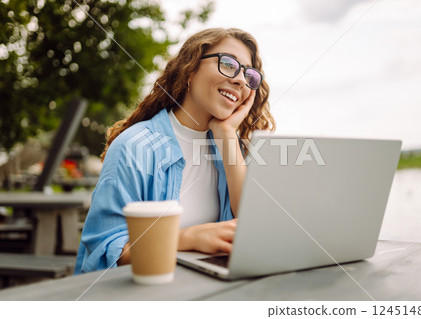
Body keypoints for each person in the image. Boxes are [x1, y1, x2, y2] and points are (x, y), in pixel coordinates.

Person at [74, 28, 276, 274]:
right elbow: (102, 253)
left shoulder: (231, 149)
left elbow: (255, 229)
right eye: (228, 64)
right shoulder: (133, 147)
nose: (240, 80)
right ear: (189, 70)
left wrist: (226, 134)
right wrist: (186, 238)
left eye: (249, 75)